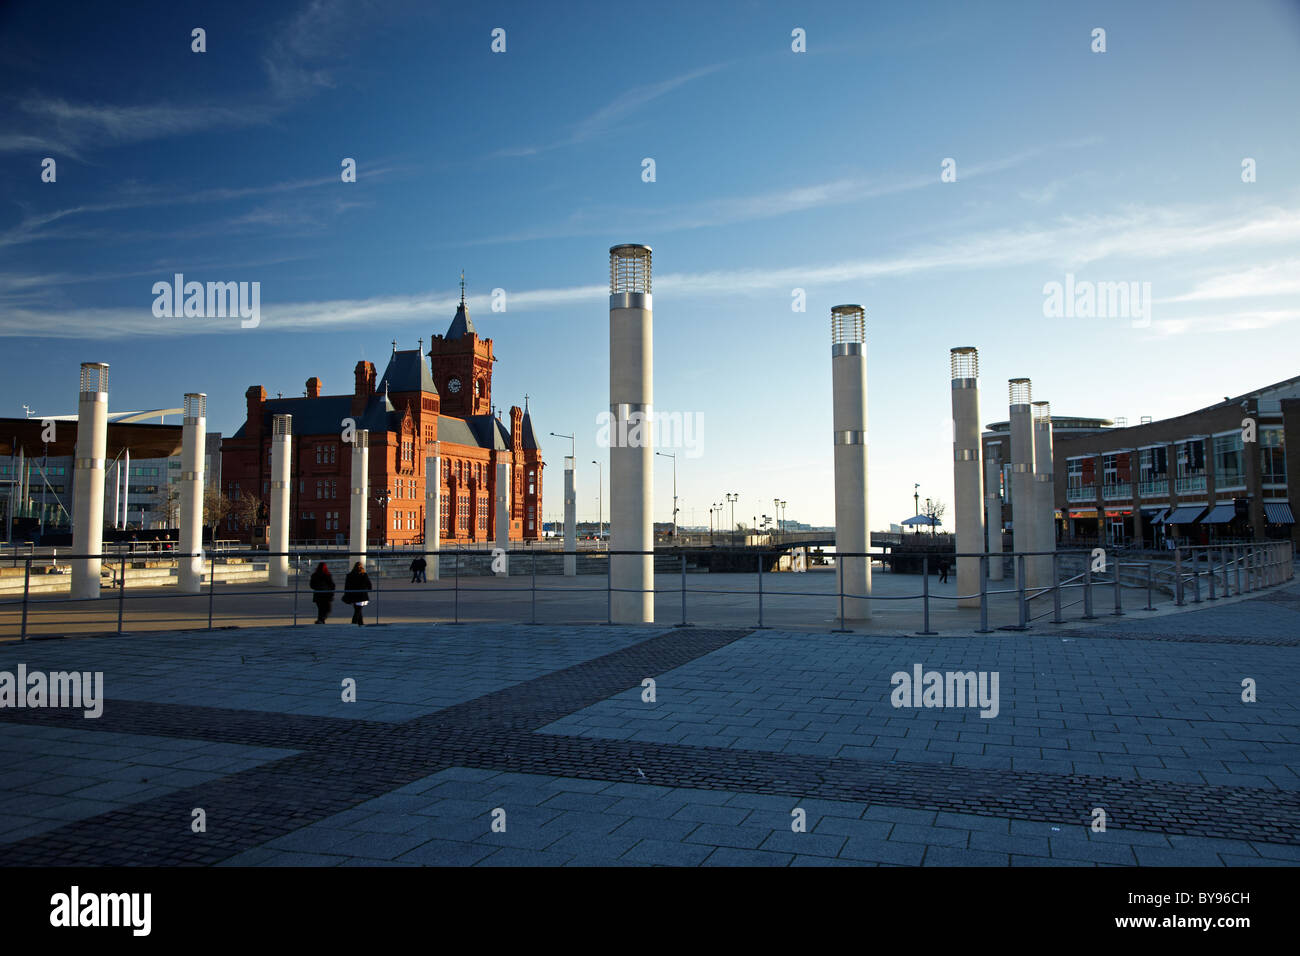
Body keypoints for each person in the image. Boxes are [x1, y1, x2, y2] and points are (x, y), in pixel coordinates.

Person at [343, 561, 372, 626]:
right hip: (362, 595)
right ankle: (354, 623)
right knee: (358, 610)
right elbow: (369, 585)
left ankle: (360, 623)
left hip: (353, 595)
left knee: (358, 609)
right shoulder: (364, 575)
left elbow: (346, 586)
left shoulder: (349, 575)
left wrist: (346, 594)